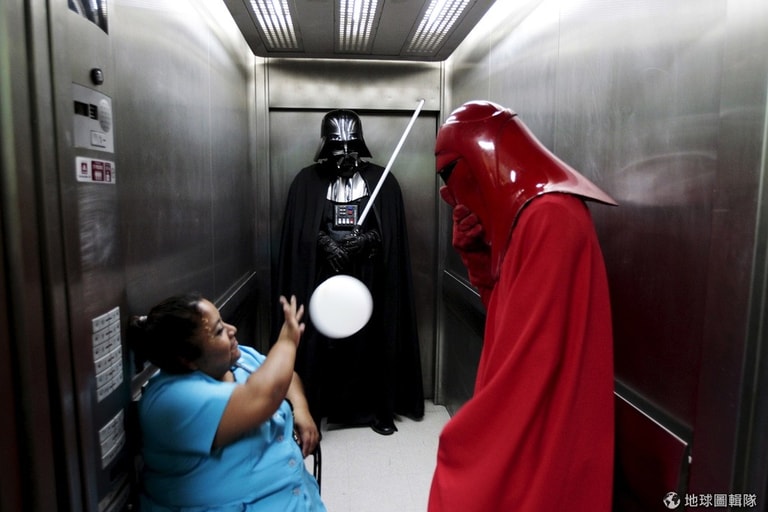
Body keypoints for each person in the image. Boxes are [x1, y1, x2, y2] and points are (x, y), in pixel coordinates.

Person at [428, 101, 617, 511]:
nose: (449, 194)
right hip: (534, 410)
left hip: (545, 420)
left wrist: (469, 438)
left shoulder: (550, 217)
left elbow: (530, 363)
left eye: (448, 174)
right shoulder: (533, 216)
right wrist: (478, 259)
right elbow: (508, 317)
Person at [275, 109, 424, 435]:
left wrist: (368, 240)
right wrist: (324, 243)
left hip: (367, 276)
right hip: (323, 276)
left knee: (369, 341)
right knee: (320, 341)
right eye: (337, 148)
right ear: (325, 147)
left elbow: (392, 236)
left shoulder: (382, 182)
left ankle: (376, 409)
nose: (344, 155)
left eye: (350, 147)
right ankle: (314, 406)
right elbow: (299, 230)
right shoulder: (307, 182)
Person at [128, 293, 326, 512]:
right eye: (219, 330)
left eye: (222, 321)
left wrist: (300, 407)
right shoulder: (171, 400)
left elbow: (285, 377)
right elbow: (264, 396)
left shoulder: (239, 359)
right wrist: (287, 342)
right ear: (187, 359)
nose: (232, 329)